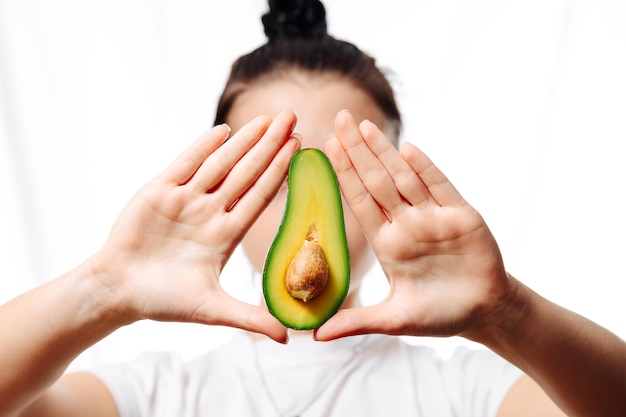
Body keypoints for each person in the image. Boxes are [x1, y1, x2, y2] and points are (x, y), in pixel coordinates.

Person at [1, 1, 625, 416]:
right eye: (272, 172)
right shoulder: (156, 394)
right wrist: (102, 288)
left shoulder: (467, 391)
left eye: (342, 173)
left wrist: (509, 314)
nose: (304, 211)